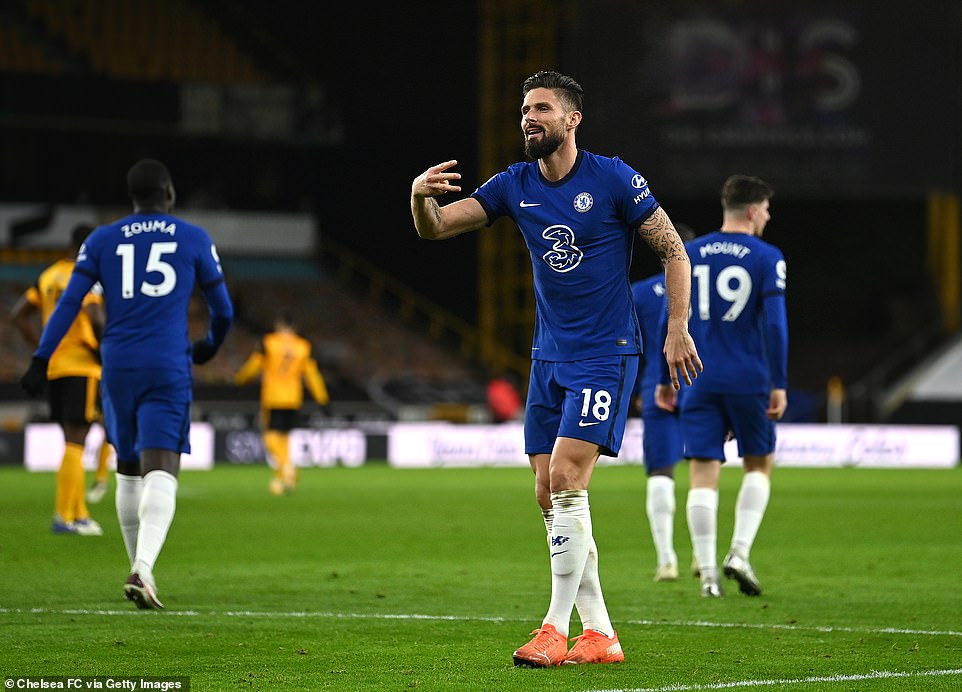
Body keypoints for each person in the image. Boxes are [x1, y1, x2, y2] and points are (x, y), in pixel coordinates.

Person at [410, 70, 702, 667]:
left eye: (541, 108)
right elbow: (437, 227)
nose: (528, 118)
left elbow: (674, 250)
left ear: (572, 120)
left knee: (569, 478)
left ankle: (553, 627)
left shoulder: (614, 178)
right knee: (548, 491)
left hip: (606, 352)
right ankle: (600, 634)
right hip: (548, 357)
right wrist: (419, 196)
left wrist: (677, 327)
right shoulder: (513, 185)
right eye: (525, 109)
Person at [20, 158, 234, 610]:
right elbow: (224, 310)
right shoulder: (193, 237)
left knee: (128, 467)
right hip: (167, 363)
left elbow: (70, 303)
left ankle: (139, 568)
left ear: (132, 196)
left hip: (117, 365)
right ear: (169, 193)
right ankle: (143, 567)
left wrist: (41, 358)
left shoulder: (101, 239)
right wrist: (209, 346)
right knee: (163, 466)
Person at [656, 174, 787, 598]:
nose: (767, 216)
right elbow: (775, 326)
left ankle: (709, 574)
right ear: (751, 211)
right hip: (749, 378)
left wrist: (663, 378)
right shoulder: (767, 257)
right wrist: (780, 382)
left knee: (702, 473)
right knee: (759, 464)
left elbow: (669, 317)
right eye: (765, 209)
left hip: (696, 378)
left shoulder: (689, 252)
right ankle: (740, 553)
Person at [11, 223, 110, 535]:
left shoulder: (49, 275)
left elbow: (18, 315)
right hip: (83, 366)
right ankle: (64, 517)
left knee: (72, 441)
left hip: (55, 367)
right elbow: (96, 320)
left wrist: (42, 348)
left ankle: (79, 514)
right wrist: (106, 352)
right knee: (77, 440)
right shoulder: (86, 277)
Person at [631, 224, 696, 582]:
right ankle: (703, 557)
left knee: (661, 472)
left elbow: (630, 345)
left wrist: (640, 388)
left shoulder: (639, 293)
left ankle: (666, 559)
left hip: (656, 386)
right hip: (701, 385)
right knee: (705, 469)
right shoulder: (705, 292)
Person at [234, 310, 330, 495]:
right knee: (284, 437)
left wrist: (240, 380)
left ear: (278, 325)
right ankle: (283, 478)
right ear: (295, 327)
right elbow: (312, 374)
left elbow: (254, 365)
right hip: (293, 398)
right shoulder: (303, 346)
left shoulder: (268, 342)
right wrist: (322, 398)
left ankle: (286, 466)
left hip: (273, 397)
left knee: (270, 437)